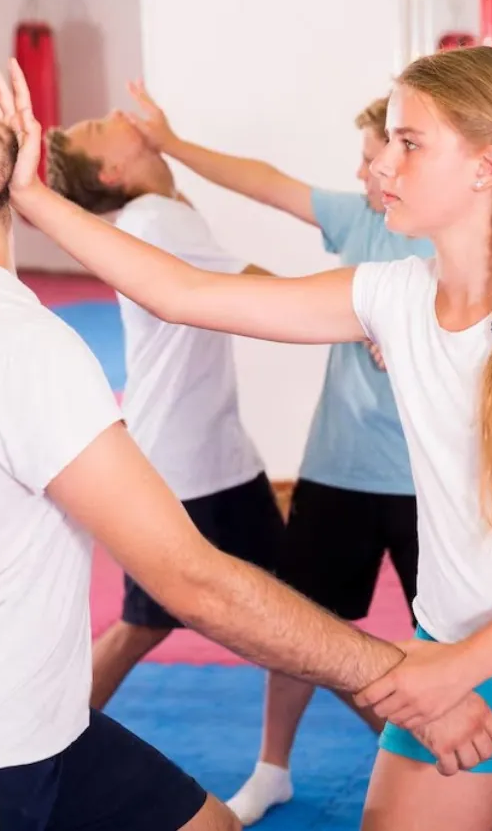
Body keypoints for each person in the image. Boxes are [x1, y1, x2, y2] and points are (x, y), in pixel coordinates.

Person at [0, 44, 492, 828]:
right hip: (450, 657)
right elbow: (183, 293)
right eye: (387, 140)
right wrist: (34, 198)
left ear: (486, 166)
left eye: (409, 143)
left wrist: (457, 667)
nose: (381, 166)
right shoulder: (390, 297)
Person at [0, 73, 492, 830]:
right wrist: (401, 678)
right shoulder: (17, 344)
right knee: (169, 608)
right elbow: (195, 582)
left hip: (22, 729)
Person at [116, 88, 430, 824]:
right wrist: (172, 141)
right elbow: (263, 182)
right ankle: (272, 767)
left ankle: (459, 757)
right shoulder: (361, 218)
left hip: (429, 480)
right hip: (337, 469)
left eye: (375, 157)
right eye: (366, 156)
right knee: (302, 623)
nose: (363, 173)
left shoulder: (454, 245)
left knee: (446, 634)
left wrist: (435, 341)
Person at [45, 115, 285, 711]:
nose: (112, 116)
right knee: (150, 623)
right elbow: (265, 295)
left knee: (292, 611)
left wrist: (166, 142)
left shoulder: (162, 212)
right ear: (112, 171)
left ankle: (312, 750)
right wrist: (369, 314)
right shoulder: (156, 220)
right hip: (184, 465)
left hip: (209, 454)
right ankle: (45, 735)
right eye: (98, 127)